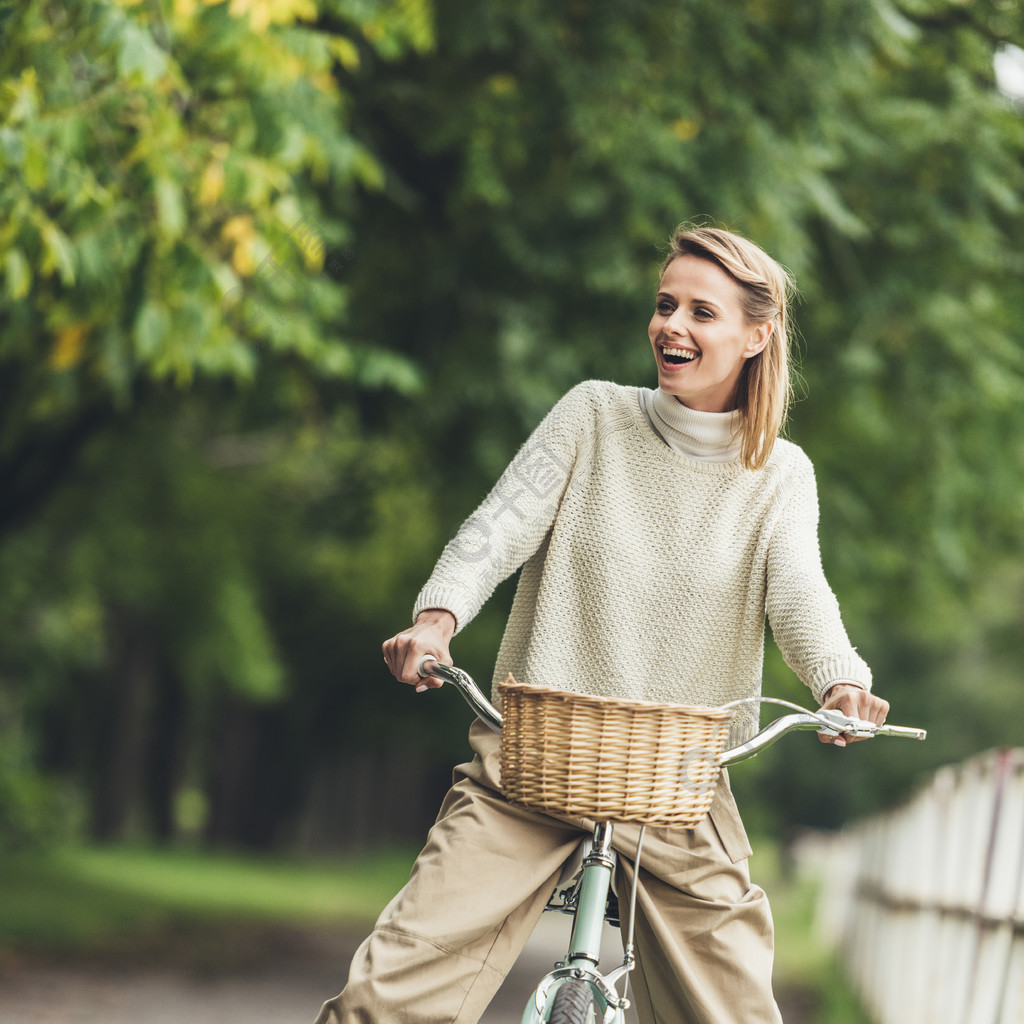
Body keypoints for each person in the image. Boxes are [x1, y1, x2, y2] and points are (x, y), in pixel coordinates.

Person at [314, 224, 890, 1024]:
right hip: (532, 764)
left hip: (681, 788)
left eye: (701, 311)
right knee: (383, 1001)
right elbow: (497, 529)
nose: (671, 327)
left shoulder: (780, 475)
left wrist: (842, 680)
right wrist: (436, 620)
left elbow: (799, 591)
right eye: (664, 305)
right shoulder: (593, 415)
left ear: (757, 336)